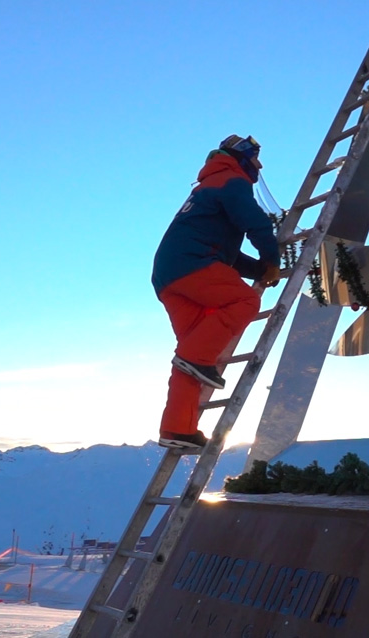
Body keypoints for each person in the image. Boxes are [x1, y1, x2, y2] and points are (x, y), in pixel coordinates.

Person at [152, 135, 280, 450]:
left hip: (170, 274)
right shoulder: (232, 181)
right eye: (255, 155)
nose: (259, 163)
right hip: (192, 265)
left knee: (193, 352)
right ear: (241, 157)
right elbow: (257, 224)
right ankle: (194, 361)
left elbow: (226, 253)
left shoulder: (207, 188)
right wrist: (272, 262)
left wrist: (259, 270)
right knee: (245, 300)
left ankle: (177, 429)